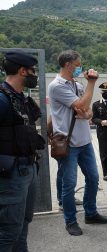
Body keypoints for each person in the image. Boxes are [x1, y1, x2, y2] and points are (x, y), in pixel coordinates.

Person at [48, 50, 107, 236]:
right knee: (69, 184)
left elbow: (88, 110)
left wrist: (87, 113)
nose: (79, 68)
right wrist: (92, 82)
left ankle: (90, 213)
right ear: (68, 65)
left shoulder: (77, 85)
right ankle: (70, 220)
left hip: (85, 142)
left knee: (93, 178)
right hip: (68, 144)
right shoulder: (57, 86)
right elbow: (81, 105)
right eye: (77, 65)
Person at [0, 51, 45, 251]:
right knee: (8, 232)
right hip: (11, 174)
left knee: (22, 225)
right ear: (22, 71)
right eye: (32, 71)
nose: (34, 75)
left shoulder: (21, 99)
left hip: (28, 168)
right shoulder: (2, 99)